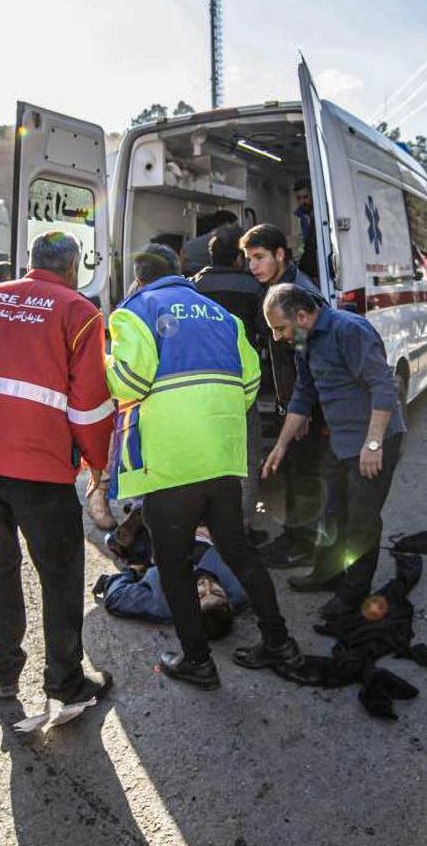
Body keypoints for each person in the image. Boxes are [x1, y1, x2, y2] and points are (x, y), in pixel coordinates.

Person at [108, 243, 299, 689]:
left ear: (139, 278)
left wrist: (104, 365)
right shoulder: (219, 314)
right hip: (222, 458)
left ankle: (197, 660)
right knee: (239, 551)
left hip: (172, 462)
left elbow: (129, 382)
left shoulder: (134, 311)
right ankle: (279, 642)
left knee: (172, 565)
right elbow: (251, 383)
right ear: (180, 273)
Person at [0, 231, 114, 704]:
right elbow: (89, 408)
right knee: (59, 572)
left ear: (30, 261)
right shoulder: (79, 312)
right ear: (73, 267)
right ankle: (64, 680)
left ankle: (4, 670)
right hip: (39, 464)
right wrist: (99, 463)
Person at [263, 283, 407, 621]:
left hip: (375, 439)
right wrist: (281, 445)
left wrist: (373, 444)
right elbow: (303, 392)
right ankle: (326, 574)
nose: (279, 337)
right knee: (330, 511)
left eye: (280, 328)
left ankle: (352, 596)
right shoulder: (303, 339)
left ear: (301, 315)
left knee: (361, 521)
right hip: (342, 441)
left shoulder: (348, 330)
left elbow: (384, 387)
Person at [242, 223, 328, 570]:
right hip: (292, 399)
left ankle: (303, 545)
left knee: (304, 473)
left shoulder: (297, 294)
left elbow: (309, 359)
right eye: (249, 259)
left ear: (280, 254)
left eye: (259, 257)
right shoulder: (279, 286)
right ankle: (297, 539)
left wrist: (302, 409)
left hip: (304, 402)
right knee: (295, 470)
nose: (253, 266)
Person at [192, 224, 269, 541]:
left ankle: (205, 527)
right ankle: (242, 528)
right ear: (239, 258)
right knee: (247, 457)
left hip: (197, 385)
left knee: (206, 456)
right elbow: (266, 334)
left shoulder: (192, 286)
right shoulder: (252, 288)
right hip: (239, 385)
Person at [95, 517, 247, 635]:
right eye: (216, 591)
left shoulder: (166, 605)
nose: (206, 584)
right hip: (199, 523)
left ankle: (130, 528)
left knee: (127, 541)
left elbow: (116, 598)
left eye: (200, 595)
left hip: (154, 539)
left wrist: (132, 571)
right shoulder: (239, 588)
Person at [181, 209, 238, 276]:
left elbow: (183, 265)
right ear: (227, 224)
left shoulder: (188, 245)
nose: (237, 228)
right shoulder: (228, 243)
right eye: (235, 225)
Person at [293, 180, 320, 284]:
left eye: (306, 197)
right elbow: (299, 246)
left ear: (312, 195)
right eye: (299, 198)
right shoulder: (297, 217)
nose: (302, 201)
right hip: (306, 269)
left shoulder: (322, 214)